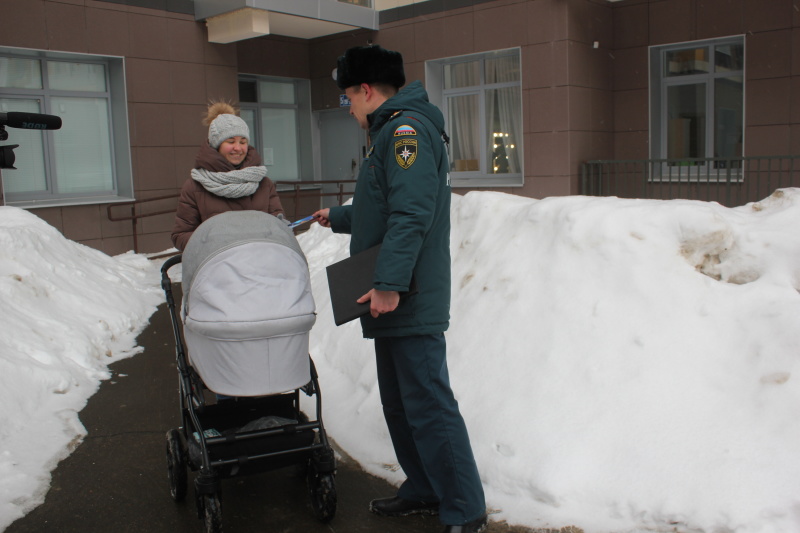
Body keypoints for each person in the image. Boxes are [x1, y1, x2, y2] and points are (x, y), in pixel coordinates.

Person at [313, 45, 487, 533]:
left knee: (428, 403)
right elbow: (387, 206)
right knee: (400, 403)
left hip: (407, 294)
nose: (348, 107)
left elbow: (413, 214)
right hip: (391, 296)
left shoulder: (406, 132)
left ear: (366, 90)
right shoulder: (388, 132)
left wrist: (389, 284)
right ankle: (427, 486)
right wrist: (341, 217)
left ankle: (465, 508)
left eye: (348, 97)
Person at [171, 102, 285, 251]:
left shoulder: (263, 183)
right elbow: (181, 235)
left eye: (243, 142)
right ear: (216, 145)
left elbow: (279, 225)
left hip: (260, 266)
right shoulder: (195, 186)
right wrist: (214, 242)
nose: (238, 148)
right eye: (230, 141)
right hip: (218, 268)